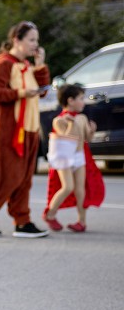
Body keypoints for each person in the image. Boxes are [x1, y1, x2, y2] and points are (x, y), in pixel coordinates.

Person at [0, 21, 51, 238]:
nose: (36, 45)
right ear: (17, 40)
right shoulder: (3, 63)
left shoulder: (25, 64)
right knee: (5, 177)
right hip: (8, 131)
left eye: (37, 40)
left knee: (24, 178)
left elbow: (41, 91)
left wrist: (40, 65)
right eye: (31, 40)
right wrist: (22, 93)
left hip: (29, 129)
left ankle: (22, 222)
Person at [43, 84, 104, 232]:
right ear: (70, 101)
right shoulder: (59, 120)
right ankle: (50, 214)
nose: (83, 102)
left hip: (79, 156)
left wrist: (92, 131)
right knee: (67, 187)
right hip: (65, 158)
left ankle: (81, 221)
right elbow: (67, 138)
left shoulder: (82, 118)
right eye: (81, 99)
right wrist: (70, 124)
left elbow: (86, 139)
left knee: (79, 189)